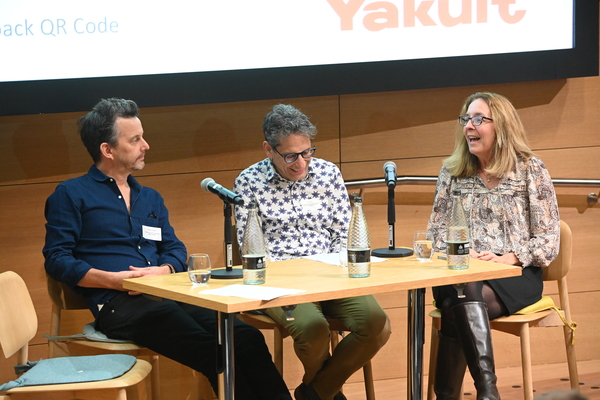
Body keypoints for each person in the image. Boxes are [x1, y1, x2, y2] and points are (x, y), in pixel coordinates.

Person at [43, 98, 292, 400]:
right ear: (107, 150)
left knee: (245, 337)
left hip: (169, 293)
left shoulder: (150, 198)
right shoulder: (70, 195)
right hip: (118, 303)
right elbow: (57, 260)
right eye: (135, 140)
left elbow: (174, 248)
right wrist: (117, 280)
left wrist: (162, 270)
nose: (145, 145)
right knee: (211, 350)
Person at [233, 104, 391, 400]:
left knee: (377, 323)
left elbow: (343, 232)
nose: (301, 163)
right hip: (280, 281)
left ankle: (315, 392)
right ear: (268, 149)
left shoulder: (329, 173)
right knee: (312, 327)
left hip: (332, 275)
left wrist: (330, 274)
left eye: (307, 152)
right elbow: (251, 245)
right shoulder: (248, 183)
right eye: (290, 156)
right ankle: (327, 393)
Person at [427, 92, 560, 400]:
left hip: (516, 274)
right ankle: (488, 392)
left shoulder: (530, 170)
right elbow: (434, 235)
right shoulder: (452, 173)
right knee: (465, 285)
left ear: (501, 126)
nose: (469, 127)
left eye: (478, 119)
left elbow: (549, 239)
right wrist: (464, 253)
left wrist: (509, 258)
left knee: (454, 306)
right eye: (466, 119)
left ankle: (453, 395)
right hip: (459, 272)